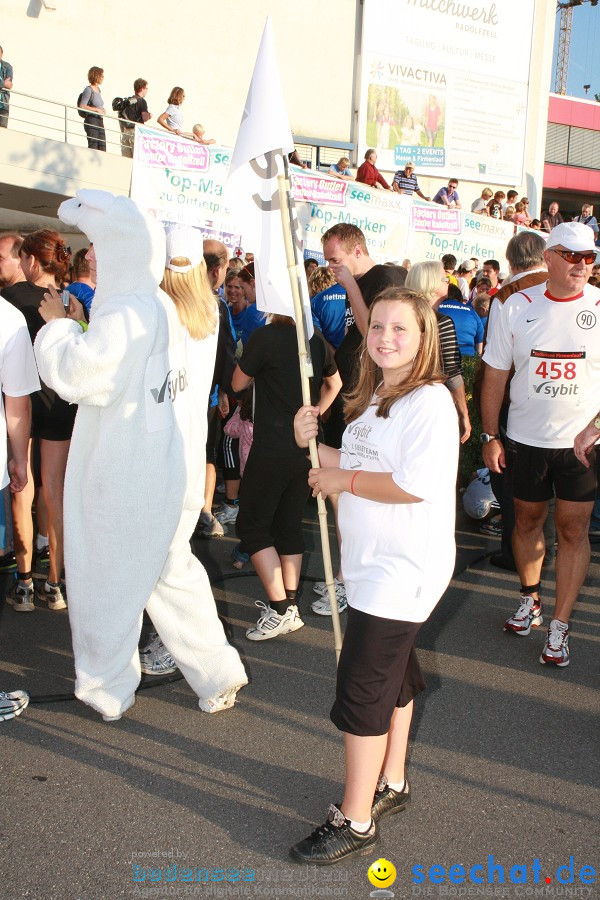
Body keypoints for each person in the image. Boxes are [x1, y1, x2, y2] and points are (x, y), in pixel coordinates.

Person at [33, 190, 248, 720]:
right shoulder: (162, 308)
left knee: (105, 582)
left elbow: (77, 375)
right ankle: (216, 673)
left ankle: (107, 688)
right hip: (165, 470)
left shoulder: (131, 310)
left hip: (125, 476)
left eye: (99, 247)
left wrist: (58, 324)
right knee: (172, 575)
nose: (94, 258)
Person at [289, 288, 459, 864]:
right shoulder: (377, 396)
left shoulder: (429, 402)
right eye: (378, 327)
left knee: (362, 690)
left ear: (423, 338)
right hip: (370, 566)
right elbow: (354, 464)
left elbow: (415, 484)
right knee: (395, 675)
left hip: (402, 568)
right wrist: (314, 444)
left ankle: (356, 820)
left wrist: (344, 483)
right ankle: (393, 781)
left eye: (400, 329)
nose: (385, 337)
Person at [481, 222, 600, 668]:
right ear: (549, 257)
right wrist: (490, 435)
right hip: (525, 440)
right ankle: (530, 600)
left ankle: (560, 624)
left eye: (590, 258)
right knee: (527, 522)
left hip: (580, 446)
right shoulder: (515, 306)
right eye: (572, 256)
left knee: (573, 531)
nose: (582, 266)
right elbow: (495, 373)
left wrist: (597, 425)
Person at [232, 314, 341, 641]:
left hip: (273, 446)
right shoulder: (315, 338)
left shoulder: (266, 337)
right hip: (306, 448)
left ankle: (281, 608)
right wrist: (315, 411)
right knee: (287, 524)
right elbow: (336, 384)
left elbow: (237, 383)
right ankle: (288, 606)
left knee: (251, 526)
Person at [475, 231, 547, 574]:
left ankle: (515, 551)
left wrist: (488, 430)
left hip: (513, 399)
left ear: (511, 261)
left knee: (509, 479)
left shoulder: (507, 295)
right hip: (560, 399)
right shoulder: (566, 287)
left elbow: (494, 364)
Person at [405, 260, 471, 442]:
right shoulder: (441, 322)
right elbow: (451, 371)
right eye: (444, 278)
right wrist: (463, 412)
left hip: (400, 396)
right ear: (431, 284)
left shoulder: (401, 317)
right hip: (430, 403)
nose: (449, 281)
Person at [118, 78, 152, 158]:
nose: (147, 90)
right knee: (137, 158)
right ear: (142, 88)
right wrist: (149, 116)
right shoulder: (142, 101)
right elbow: (144, 118)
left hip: (125, 133)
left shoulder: (128, 101)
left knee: (126, 160)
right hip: (136, 132)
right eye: (146, 88)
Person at [78, 66, 106, 152]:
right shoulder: (88, 90)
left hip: (99, 120)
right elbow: (82, 106)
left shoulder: (98, 90)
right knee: (93, 145)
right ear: (96, 76)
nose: (103, 78)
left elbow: (98, 105)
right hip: (92, 120)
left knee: (102, 146)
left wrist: (102, 109)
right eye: (102, 75)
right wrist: (96, 110)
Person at [0, 45, 13, 129]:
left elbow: (9, 85)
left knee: (3, 132)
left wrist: (5, 84)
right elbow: (5, 84)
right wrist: (3, 83)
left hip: (3, 104)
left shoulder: (7, 66)